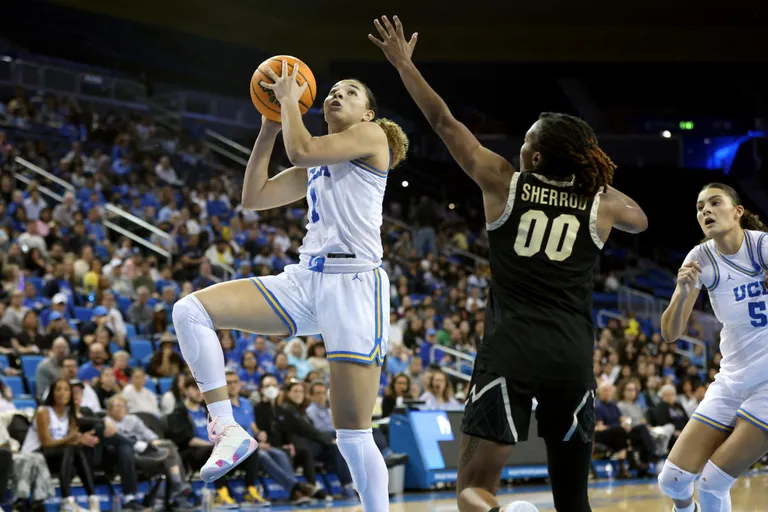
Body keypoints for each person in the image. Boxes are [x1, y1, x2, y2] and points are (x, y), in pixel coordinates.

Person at [370, 15, 648, 512]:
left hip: (510, 351)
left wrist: (404, 66)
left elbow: (443, 122)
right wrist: (588, 167)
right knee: (573, 501)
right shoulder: (602, 205)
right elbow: (641, 220)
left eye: (526, 142)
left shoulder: (503, 180)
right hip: (570, 357)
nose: (517, 147)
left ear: (536, 160)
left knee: (473, 493)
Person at [170, 56, 408, 512]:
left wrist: (287, 105)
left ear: (369, 114)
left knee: (353, 432)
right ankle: (227, 427)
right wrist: (269, 125)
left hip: (354, 284)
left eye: (350, 92)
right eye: (333, 90)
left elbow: (301, 151)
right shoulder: (316, 158)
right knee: (190, 309)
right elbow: (253, 197)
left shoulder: (373, 138)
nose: (336, 94)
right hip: (304, 280)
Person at [658, 183, 768, 512]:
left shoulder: (761, 247)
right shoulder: (700, 258)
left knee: (712, 482)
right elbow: (670, 334)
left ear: (738, 212)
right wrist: (682, 291)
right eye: (699, 206)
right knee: (672, 480)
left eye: (714, 203)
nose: (705, 210)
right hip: (732, 380)